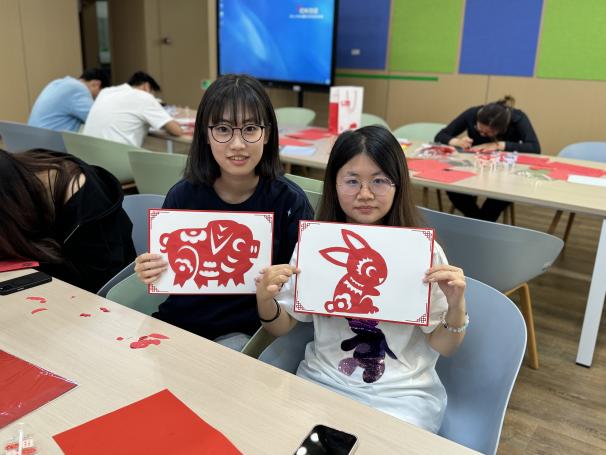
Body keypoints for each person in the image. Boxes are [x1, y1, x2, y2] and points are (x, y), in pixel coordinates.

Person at [255, 126, 467, 433]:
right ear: (334, 183)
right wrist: (265, 299)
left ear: (398, 184)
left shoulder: (424, 253)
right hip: (321, 381)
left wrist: (456, 306)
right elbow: (282, 326)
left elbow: (444, 346)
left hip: (403, 396)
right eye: (352, 181)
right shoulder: (314, 245)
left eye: (379, 181)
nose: (365, 194)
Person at [134, 74, 314, 351]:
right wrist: (151, 269)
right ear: (206, 135)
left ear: (267, 134)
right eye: (222, 129)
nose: (237, 144)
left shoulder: (290, 203)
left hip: (243, 336)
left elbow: (298, 293)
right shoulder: (182, 195)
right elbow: (169, 274)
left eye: (250, 129)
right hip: (177, 325)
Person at [0, 149, 136, 293]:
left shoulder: (85, 200)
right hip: (49, 279)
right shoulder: (17, 177)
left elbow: (99, 280)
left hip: (98, 292)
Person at [434, 95, 541, 221]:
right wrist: (457, 142)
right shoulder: (472, 114)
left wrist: (498, 145)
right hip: (474, 167)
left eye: (488, 133)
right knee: (454, 188)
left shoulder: (517, 118)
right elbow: (440, 136)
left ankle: (478, 222)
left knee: (501, 195)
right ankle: (480, 222)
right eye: (479, 130)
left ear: (501, 130)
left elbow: (534, 147)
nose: (482, 135)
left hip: (504, 173)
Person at [83, 71, 182, 147]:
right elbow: (177, 131)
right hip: (115, 158)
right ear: (146, 87)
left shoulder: (106, 92)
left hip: (88, 157)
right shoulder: (144, 97)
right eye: (153, 94)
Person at [28, 68, 109, 132]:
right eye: (99, 95)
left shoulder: (57, 83)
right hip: (48, 146)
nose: (96, 100)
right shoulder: (78, 89)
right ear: (96, 84)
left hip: (35, 140)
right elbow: (98, 120)